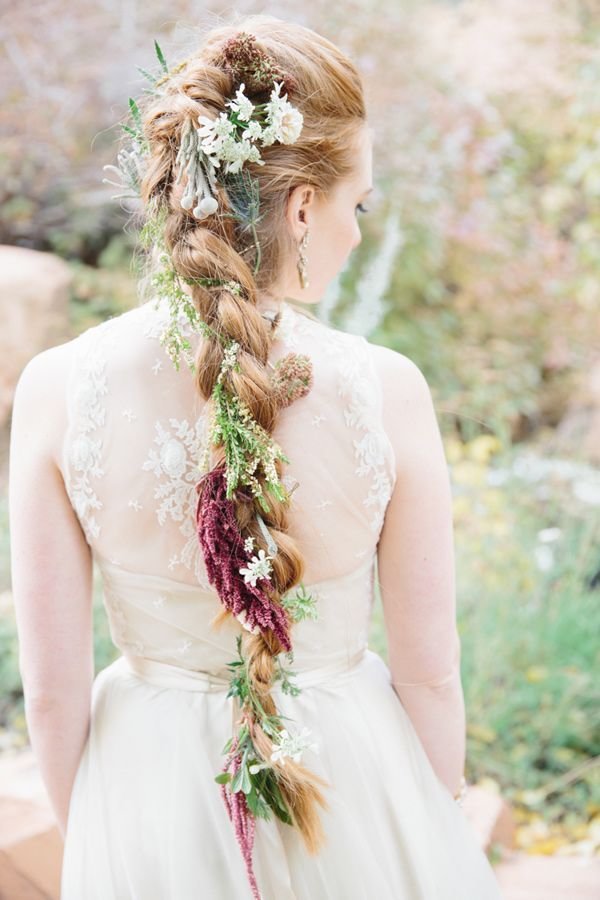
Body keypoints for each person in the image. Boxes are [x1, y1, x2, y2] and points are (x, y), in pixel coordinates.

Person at [9, 13, 504, 900]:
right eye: (359, 205)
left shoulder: (56, 388)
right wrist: (432, 821)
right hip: (349, 780)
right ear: (305, 208)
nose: (355, 232)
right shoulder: (388, 392)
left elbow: (49, 694)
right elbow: (430, 669)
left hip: (146, 788)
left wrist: (98, 839)